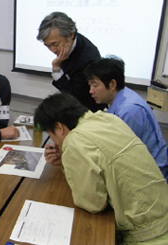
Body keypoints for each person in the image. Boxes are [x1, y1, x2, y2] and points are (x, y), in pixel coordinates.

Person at [35, 92, 168, 244]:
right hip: (163, 210)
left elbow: (93, 204)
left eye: (49, 133)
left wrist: (68, 156)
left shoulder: (75, 141)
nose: (52, 139)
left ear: (59, 127)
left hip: (147, 234)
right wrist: (66, 160)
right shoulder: (107, 119)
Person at [84, 56, 168, 182]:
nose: (91, 91)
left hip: (151, 176)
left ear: (112, 84)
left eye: (94, 85)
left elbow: (119, 155)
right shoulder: (121, 96)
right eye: (90, 85)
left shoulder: (129, 110)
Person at [36, 11, 106, 112]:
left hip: (87, 110)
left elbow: (74, 95)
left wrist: (56, 68)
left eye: (55, 44)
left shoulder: (87, 59)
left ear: (71, 35)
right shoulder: (68, 43)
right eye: (47, 46)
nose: (52, 50)